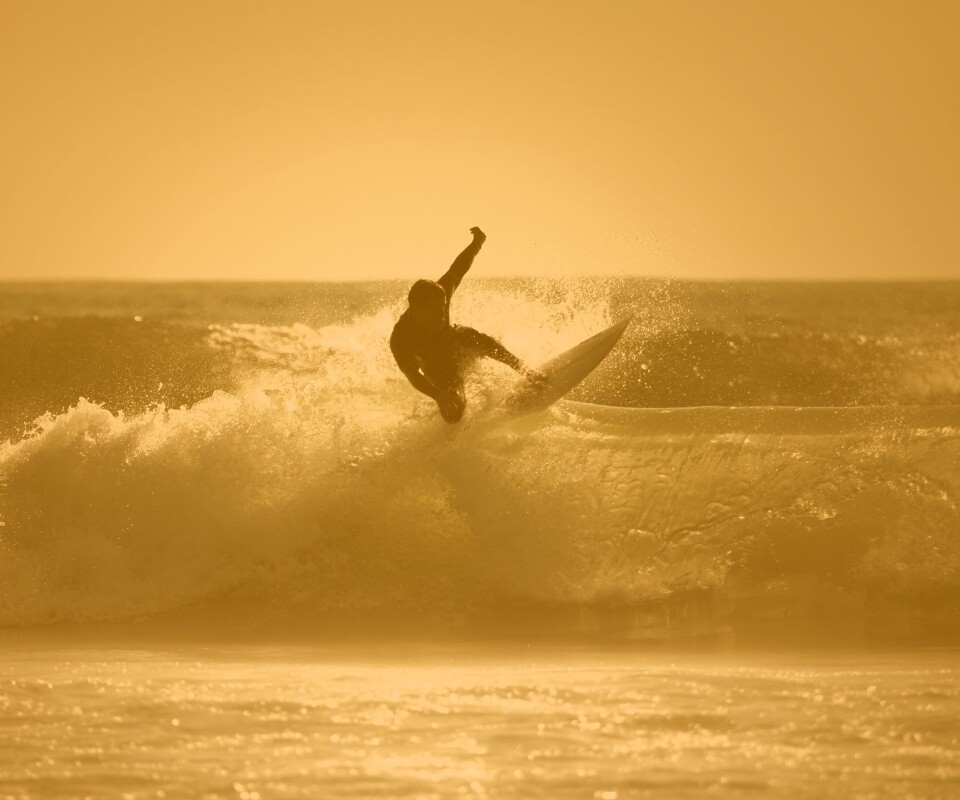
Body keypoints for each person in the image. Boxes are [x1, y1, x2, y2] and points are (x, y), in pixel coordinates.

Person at [390, 227, 540, 422]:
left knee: (468, 335)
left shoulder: (439, 293)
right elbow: (413, 375)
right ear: (417, 310)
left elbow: (458, 268)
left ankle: (524, 370)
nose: (443, 315)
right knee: (453, 414)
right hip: (436, 365)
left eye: (443, 308)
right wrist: (439, 396)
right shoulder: (401, 337)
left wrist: (477, 243)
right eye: (436, 312)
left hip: (454, 340)